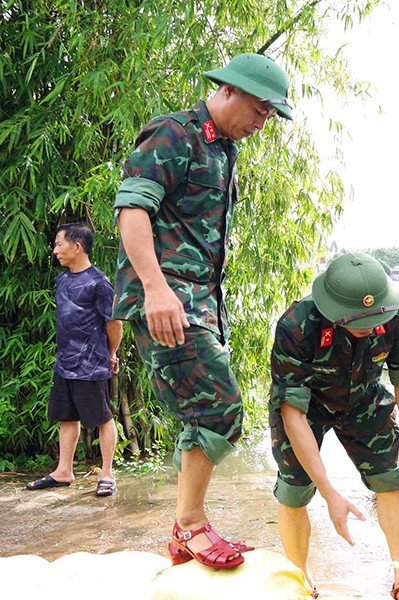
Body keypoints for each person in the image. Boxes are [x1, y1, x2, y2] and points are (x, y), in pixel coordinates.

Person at [112, 53, 293, 569]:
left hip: (200, 303)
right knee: (222, 407)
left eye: (269, 116)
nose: (262, 123)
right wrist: (155, 288)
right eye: (260, 110)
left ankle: (186, 529)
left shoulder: (224, 149)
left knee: (203, 413)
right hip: (168, 299)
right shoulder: (174, 134)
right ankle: (189, 525)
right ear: (229, 91)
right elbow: (132, 210)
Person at [270, 251, 399, 600]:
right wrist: (330, 493)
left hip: (364, 400)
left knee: (389, 479)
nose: (376, 327)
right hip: (306, 407)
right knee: (295, 489)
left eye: (379, 318)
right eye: (364, 321)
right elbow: (293, 414)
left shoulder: (396, 315)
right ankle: (302, 581)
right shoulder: (297, 326)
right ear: (336, 314)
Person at [26, 223, 122, 497]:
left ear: (77, 247)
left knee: (103, 417)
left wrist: (110, 354)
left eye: (59, 244)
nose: (55, 250)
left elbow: (114, 324)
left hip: (91, 363)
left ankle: (106, 473)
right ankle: (63, 471)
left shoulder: (99, 283)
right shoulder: (63, 280)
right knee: (66, 417)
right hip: (65, 362)